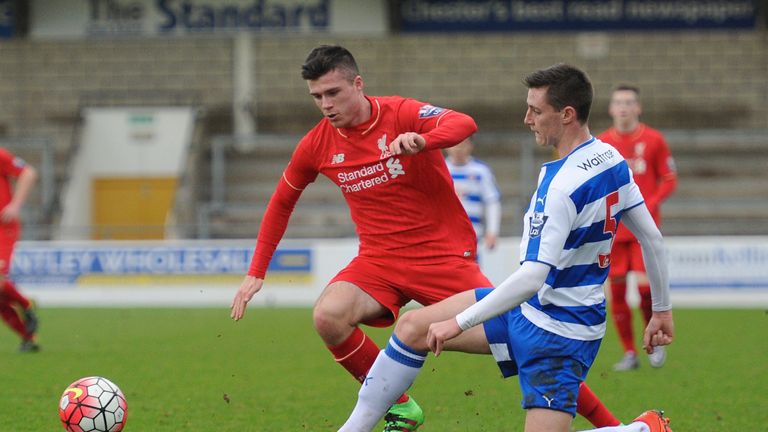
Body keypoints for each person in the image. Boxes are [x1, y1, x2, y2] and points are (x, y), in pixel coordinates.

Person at [230, 46, 622, 431]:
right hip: (378, 262)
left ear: (358, 84)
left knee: (528, 338)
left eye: (334, 93)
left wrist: (424, 140)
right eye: (317, 97)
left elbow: (464, 124)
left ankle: (614, 425)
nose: (326, 104)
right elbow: (282, 202)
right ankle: (400, 409)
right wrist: (256, 271)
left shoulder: (401, 113)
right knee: (328, 316)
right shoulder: (317, 144)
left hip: (442, 259)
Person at [339, 63, 675, 432]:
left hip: (560, 333)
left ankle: (641, 430)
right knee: (412, 326)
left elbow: (532, 277)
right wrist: (661, 311)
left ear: (566, 115)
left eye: (535, 110)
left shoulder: (560, 188)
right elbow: (653, 239)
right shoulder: (611, 158)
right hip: (535, 310)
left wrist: (457, 323)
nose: (526, 118)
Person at [597, 85, 677, 371]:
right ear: (611, 108)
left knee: (645, 292)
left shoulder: (654, 140)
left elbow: (669, 179)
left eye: (629, 102)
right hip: (614, 232)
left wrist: (649, 204)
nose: (623, 107)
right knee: (616, 294)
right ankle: (630, 353)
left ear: (638, 108)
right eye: (618, 102)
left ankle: (653, 341)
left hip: (643, 232)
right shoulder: (603, 144)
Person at [0, 147, 39, 352]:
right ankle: (28, 336)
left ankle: (26, 304)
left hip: (2, 229)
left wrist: (15, 205)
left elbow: (28, 172)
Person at [444, 138, 501, 255]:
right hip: (445, 235)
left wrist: (492, 231)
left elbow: (492, 201)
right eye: (454, 144)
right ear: (447, 146)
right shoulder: (441, 169)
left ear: (470, 146)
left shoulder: (481, 171)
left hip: (472, 235)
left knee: (470, 269)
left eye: (463, 144)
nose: (458, 148)